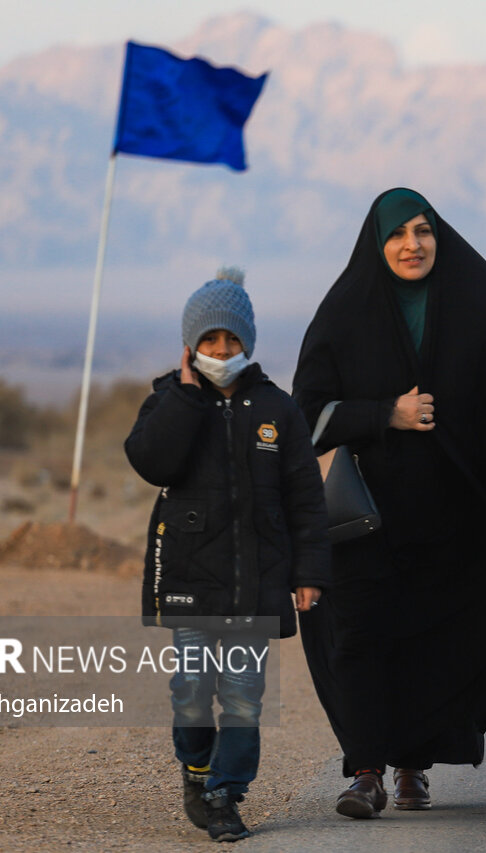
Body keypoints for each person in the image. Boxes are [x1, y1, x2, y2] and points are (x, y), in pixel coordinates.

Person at [293, 188, 486, 819]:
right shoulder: (345, 311)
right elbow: (306, 416)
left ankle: (412, 766)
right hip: (367, 514)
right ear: (377, 242)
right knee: (360, 635)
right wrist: (383, 414)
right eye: (397, 234)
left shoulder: (476, 307)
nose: (412, 244)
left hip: (456, 515)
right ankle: (365, 769)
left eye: (422, 231)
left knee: (433, 639)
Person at [124, 268, 331, 842]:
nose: (221, 350)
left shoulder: (277, 409)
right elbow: (152, 462)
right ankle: (195, 770)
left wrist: (309, 570)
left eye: (231, 340)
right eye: (210, 340)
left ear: (248, 342)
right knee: (192, 685)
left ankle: (225, 793)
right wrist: (188, 397)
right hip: (190, 574)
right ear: (191, 344)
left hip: (256, 578)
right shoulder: (169, 399)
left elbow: (304, 498)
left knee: (242, 694)